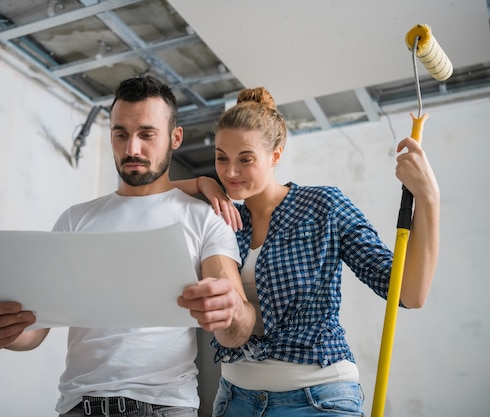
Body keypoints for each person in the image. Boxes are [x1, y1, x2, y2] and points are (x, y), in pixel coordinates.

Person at [0, 76, 256, 417]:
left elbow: (235, 332)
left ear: (175, 137)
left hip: (166, 408)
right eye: (120, 134)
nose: (131, 149)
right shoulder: (74, 220)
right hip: (77, 406)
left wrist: (231, 311)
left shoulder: (206, 220)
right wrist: (7, 331)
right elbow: (34, 330)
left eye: (147, 134)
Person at [175, 86, 440, 416]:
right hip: (234, 400)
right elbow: (147, 193)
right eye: (221, 158)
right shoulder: (225, 220)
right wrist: (202, 183)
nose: (230, 173)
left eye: (245, 159)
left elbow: (409, 293)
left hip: (318, 399)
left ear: (275, 155)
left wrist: (428, 198)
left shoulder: (323, 207)